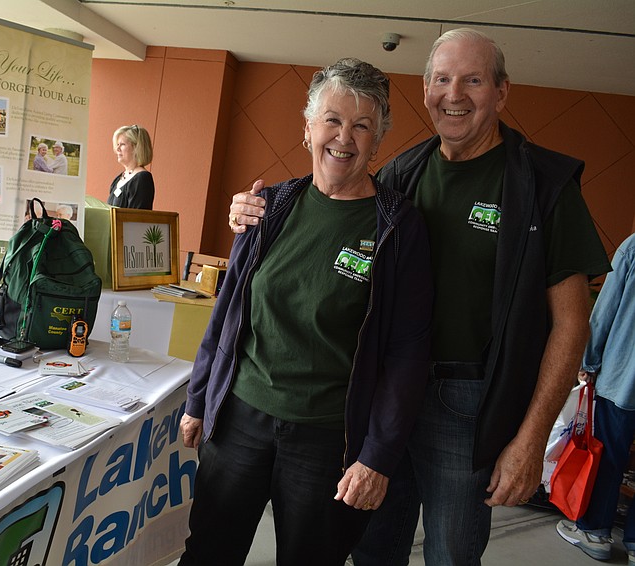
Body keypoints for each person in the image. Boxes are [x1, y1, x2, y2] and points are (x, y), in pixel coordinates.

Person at [228, 28, 611, 565]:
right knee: (369, 546)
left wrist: (530, 441)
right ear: (426, 88)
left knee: (452, 554)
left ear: (502, 92)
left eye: (473, 80)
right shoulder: (402, 174)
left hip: (466, 404)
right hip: (379, 396)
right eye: (441, 79)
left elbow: (572, 324)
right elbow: (329, 211)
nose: (453, 94)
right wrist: (250, 213)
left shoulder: (542, 184)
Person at [179, 58, 433, 566]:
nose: (345, 137)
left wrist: (376, 457)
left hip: (326, 439)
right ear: (308, 130)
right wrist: (198, 398)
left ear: (378, 140)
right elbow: (228, 311)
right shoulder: (268, 207)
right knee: (208, 552)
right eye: (333, 120)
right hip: (240, 422)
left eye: (363, 125)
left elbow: (408, 354)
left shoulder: (398, 227)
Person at [556, 232, 635, 563]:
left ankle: (595, 533)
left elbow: (605, 310)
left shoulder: (632, 246)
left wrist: (588, 361)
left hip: (624, 379)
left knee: (609, 456)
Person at [107, 124, 155, 209]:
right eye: (117, 144)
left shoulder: (142, 178)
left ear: (136, 147)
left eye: (122, 144)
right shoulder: (118, 179)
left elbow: (136, 219)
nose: (117, 149)